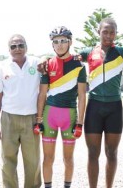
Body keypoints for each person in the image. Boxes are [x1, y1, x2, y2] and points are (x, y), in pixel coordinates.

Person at [79, 14, 123, 188]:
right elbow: (66, 60)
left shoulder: (122, 51)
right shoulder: (88, 53)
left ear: (116, 34)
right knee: (93, 153)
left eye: (112, 32)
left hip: (114, 108)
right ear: (98, 32)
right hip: (94, 106)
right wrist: (44, 61)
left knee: (111, 153)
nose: (109, 35)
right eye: (105, 32)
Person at [34, 26, 87, 188]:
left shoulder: (79, 65)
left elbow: (82, 96)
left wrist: (80, 123)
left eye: (63, 41)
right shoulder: (47, 64)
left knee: (68, 159)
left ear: (70, 42)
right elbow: (42, 94)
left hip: (69, 116)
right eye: (55, 42)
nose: (59, 45)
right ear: (52, 45)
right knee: (48, 158)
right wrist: (38, 119)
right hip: (50, 115)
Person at [0, 34, 42, 188]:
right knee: (8, 160)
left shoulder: (37, 64)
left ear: (26, 47)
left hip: (31, 119)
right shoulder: (2, 68)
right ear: (9, 49)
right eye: (13, 46)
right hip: (9, 119)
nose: (17, 49)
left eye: (21, 45)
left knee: (33, 160)